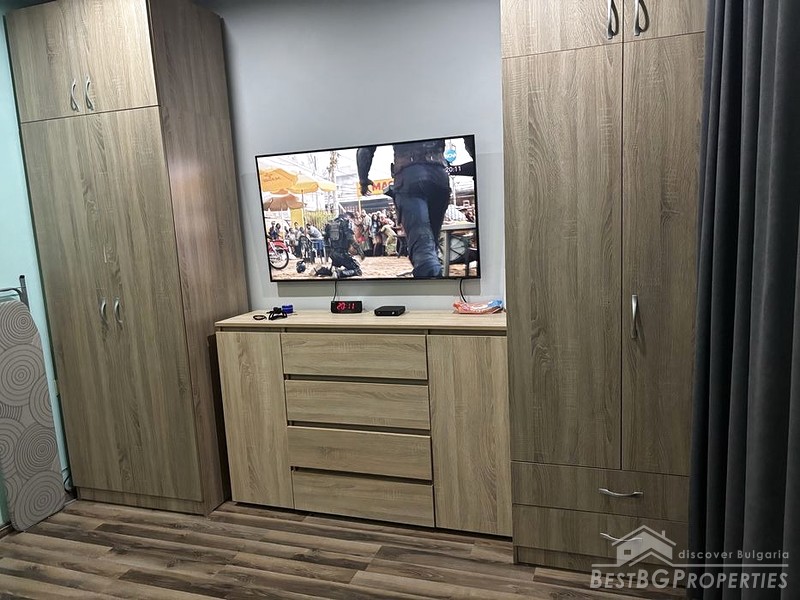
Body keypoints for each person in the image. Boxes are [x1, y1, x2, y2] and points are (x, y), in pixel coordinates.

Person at [358, 139, 450, 277]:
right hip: (440, 174)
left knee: (423, 249)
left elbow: (365, 148)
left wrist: (363, 180)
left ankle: (430, 278)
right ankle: (433, 272)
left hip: (409, 175)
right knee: (431, 244)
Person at [318, 213, 362, 279]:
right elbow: (351, 239)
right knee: (357, 270)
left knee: (335, 268)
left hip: (333, 254)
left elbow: (325, 238)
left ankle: (321, 270)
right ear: (348, 217)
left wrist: (329, 250)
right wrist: (359, 251)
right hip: (343, 254)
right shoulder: (346, 223)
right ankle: (338, 273)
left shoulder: (330, 224)